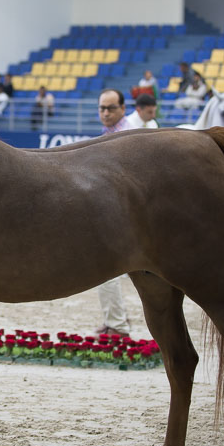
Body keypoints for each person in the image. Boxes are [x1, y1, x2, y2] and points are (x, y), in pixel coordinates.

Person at [93, 89, 135, 337]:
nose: (106, 113)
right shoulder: (109, 135)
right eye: (102, 108)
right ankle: (116, 320)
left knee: (105, 268)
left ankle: (117, 324)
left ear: (123, 108)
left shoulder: (126, 135)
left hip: (127, 216)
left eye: (110, 108)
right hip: (119, 213)